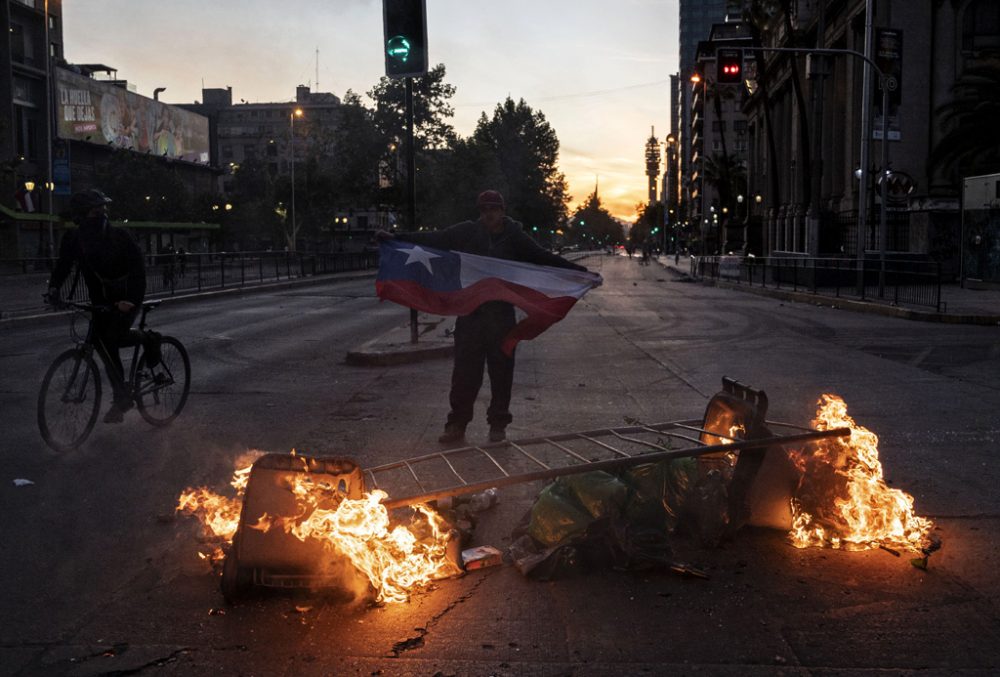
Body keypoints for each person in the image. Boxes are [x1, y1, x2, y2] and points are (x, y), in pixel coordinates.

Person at [378, 190, 594, 445]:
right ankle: (456, 424)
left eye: (493, 209)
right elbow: (434, 239)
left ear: (502, 210)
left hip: (501, 316)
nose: (489, 214)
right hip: (470, 315)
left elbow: (542, 257)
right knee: (464, 374)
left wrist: (580, 273)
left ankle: (498, 425)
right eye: (484, 209)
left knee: (501, 373)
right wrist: (396, 238)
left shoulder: (515, 237)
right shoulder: (467, 232)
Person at [47, 189, 146, 423]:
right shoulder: (73, 239)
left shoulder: (120, 236)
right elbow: (63, 266)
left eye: (104, 210)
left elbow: (138, 271)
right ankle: (121, 396)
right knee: (102, 344)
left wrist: (130, 300)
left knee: (112, 340)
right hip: (99, 301)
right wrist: (54, 289)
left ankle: (149, 340)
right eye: (96, 211)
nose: (102, 215)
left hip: (125, 298)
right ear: (81, 216)